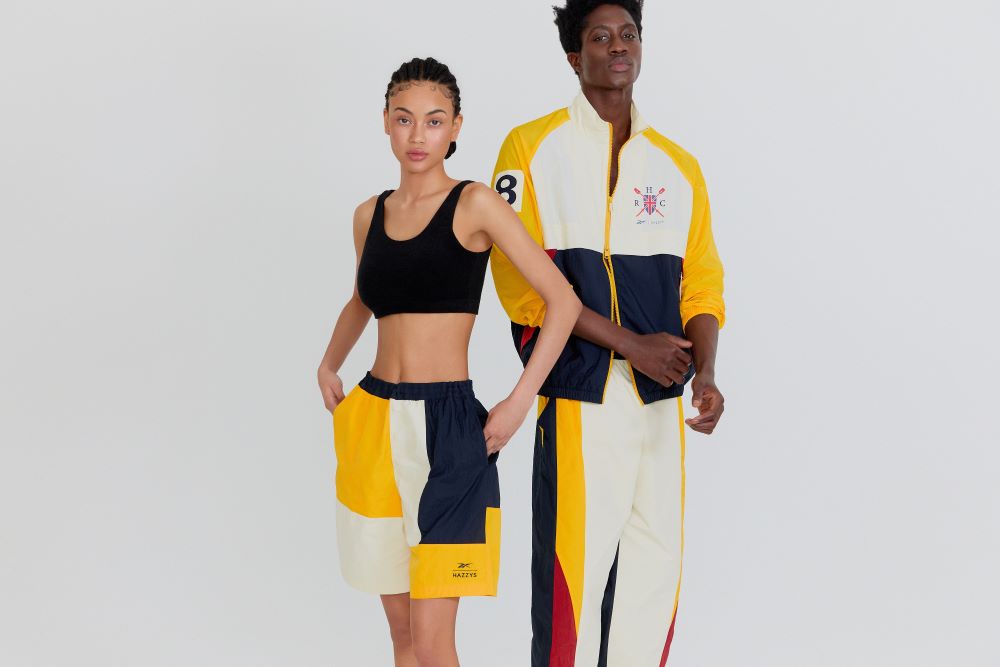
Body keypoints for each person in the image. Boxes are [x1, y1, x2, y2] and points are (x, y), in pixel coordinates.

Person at [317, 57, 582, 667]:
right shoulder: (369, 215)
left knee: (435, 641)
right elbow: (363, 298)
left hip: (451, 430)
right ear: (385, 121)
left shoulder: (475, 204)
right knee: (404, 639)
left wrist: (519, 400)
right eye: (404, 119)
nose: (418, 135)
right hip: (373, 420)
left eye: (434, 121)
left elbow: (563, 302)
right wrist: (329, 365)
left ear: (456, 127)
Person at [489, 2, 727, 664]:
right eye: (601, 37)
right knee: (573, 582)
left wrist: (705, 374)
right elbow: (522, 287)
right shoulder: (529, 149)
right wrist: (631, 345)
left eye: (629, 34)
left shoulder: (678, 166)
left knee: (653, 577)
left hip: (659, 404)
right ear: (575, 56)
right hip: (579, 397)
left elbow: (702, 286)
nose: (619, 46)